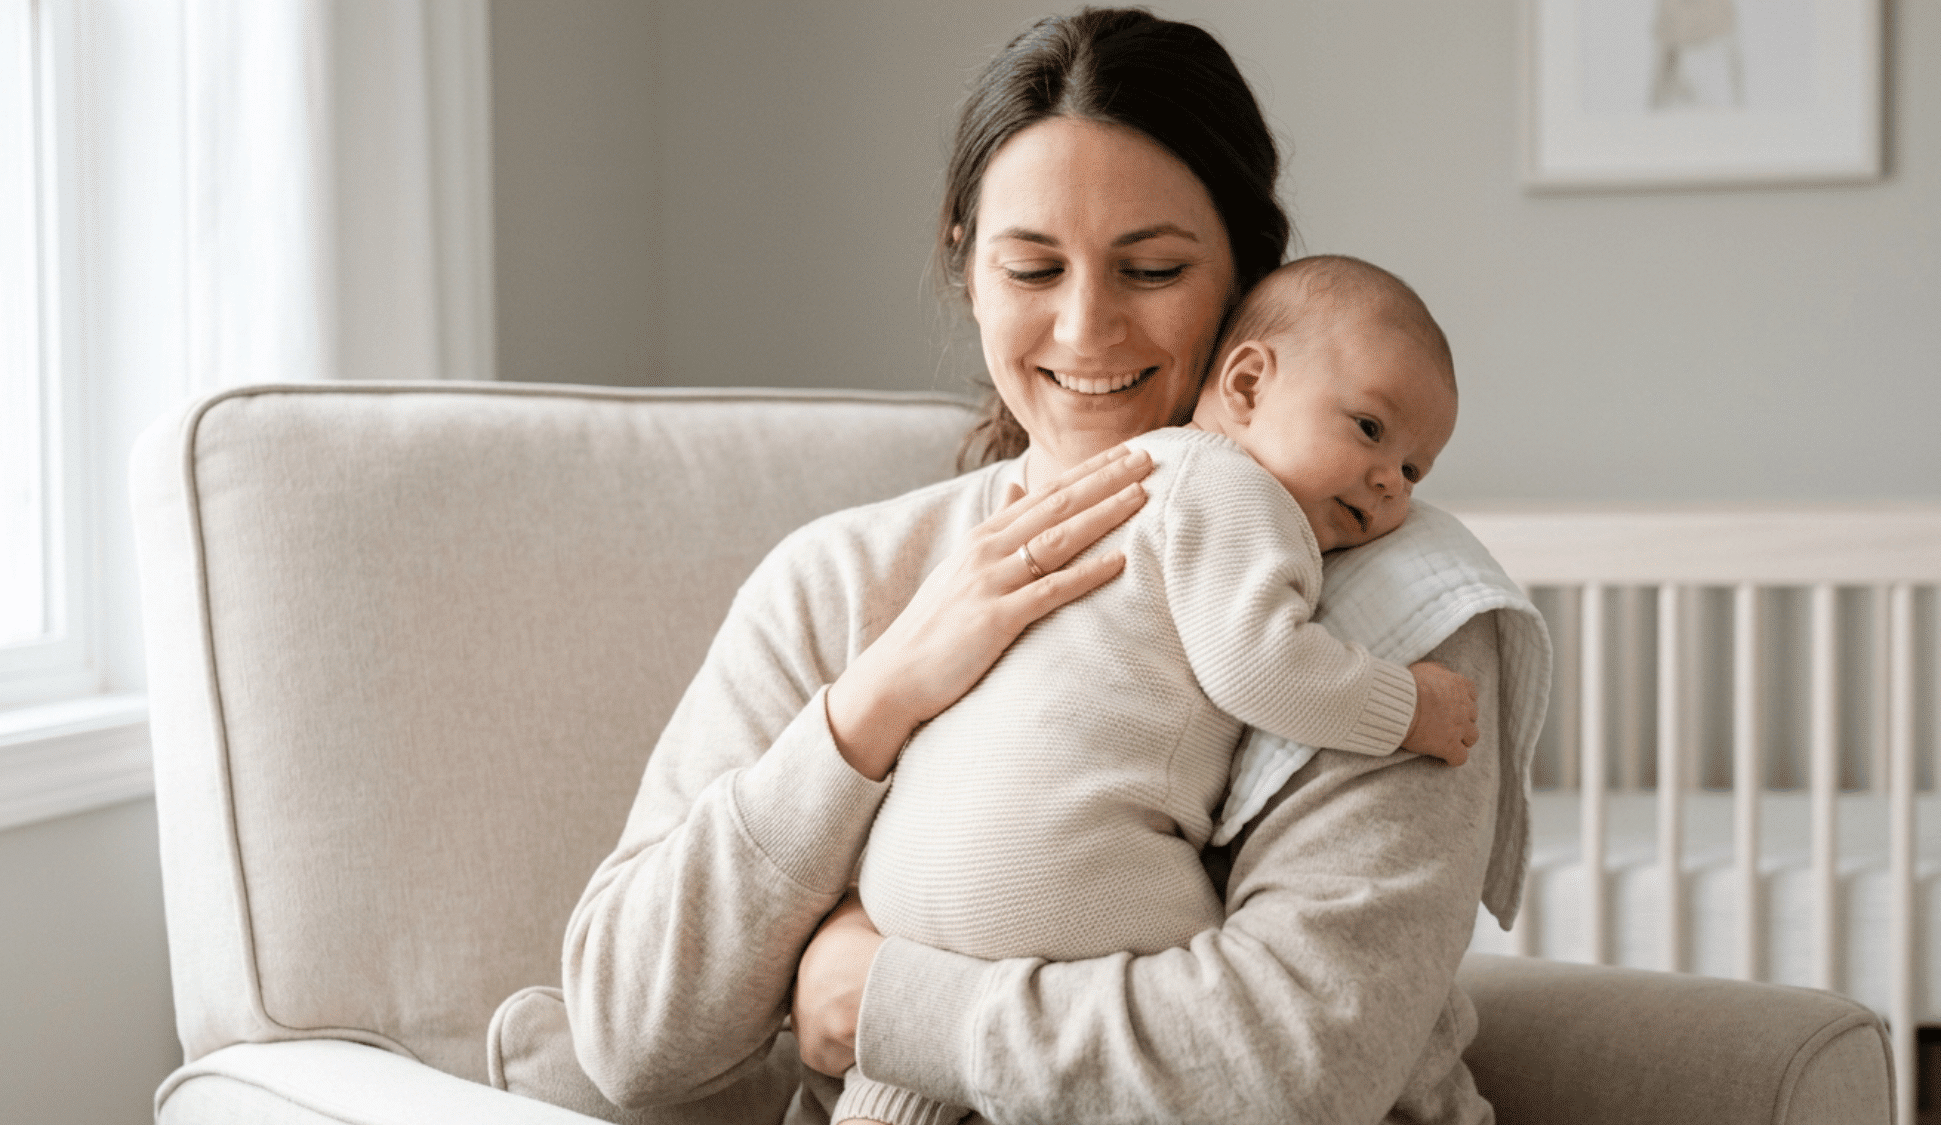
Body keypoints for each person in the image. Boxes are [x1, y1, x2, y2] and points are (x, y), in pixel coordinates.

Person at [549, 10, 1527, 1124]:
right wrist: (873, 705)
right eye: (1030, 267)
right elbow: (627, 1033)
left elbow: (1294, 1068)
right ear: (967, 273)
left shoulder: (1399, 609)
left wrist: (886, 1000)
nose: (1085, 326)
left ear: (1250, 282)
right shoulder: (841, 581)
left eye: (1151, 268)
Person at [833, 253, 1472, 1125]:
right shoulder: (1239, 493)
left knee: (904, 1081)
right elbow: (1262, 667)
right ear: (1247, 385)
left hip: (909, 885)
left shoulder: (1131, 474)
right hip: (1054, 871)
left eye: (1415, 469)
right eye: (1369, 429)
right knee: (1216, 1013)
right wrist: (1411, 706)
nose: (1391, 481)